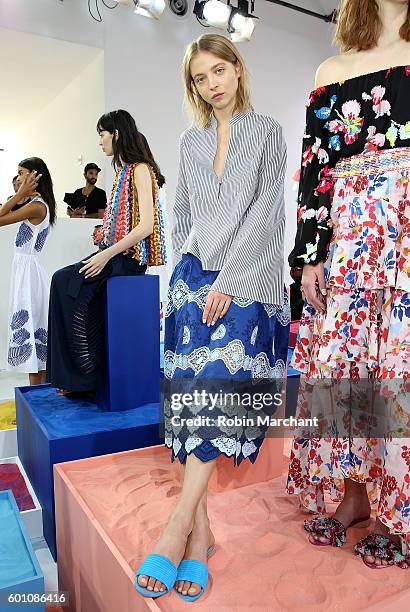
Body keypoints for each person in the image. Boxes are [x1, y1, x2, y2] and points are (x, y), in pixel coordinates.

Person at [136, 34, 289, 601]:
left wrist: (228, 282)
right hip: (192, 279)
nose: (213, 84)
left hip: (245, 282)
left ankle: (179, 528)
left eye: (220, 70)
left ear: (238, 69)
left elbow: (268, 210)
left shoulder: (267, 131)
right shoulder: (189, 141)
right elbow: (179, 215)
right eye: (201, 77)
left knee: (218, 389)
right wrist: (185, 280)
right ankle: (201, 535)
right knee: (190, 398)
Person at [286, 0, 410, 570]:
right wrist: (310, 256)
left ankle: (395, 510)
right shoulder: (331, 71)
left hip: (406, 230)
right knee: (348, 368)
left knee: (398, 368)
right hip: (351, 232)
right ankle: (354, 496)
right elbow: (316, 171)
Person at [46, 110, 166, 395]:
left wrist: (105, 254)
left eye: (102, 134)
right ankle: (83, 375)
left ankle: (81, 378)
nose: (100, 141)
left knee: (64, 283)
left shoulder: (139, 169)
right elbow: (122, 222)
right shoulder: (123, 172)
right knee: (66, 284)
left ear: (117, 134)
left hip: (125, 261)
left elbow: (146, 225)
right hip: (115, 256)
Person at [0, 158, 57, 385]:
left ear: (35, 176)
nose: (19, 177)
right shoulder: (34, 203)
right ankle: (38, 393)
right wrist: (21, 194)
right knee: (32, 329)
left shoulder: (36, 206)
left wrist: (19, 194)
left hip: (28, 275)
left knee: (31, 329)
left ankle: (36, 398)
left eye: (22, 173)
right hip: (26, 272)